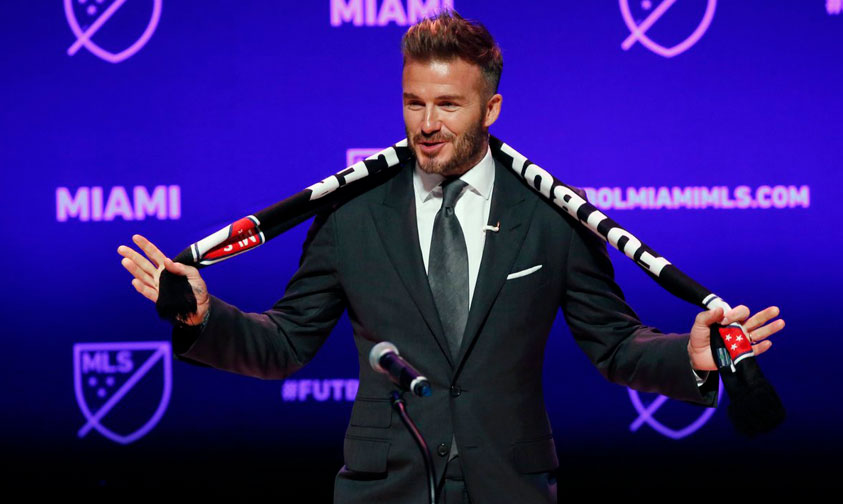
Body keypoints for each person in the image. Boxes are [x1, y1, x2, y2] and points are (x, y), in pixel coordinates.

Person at [117, 10, 785, 504]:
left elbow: (612, 344)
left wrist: (688, 358)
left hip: (510, 486)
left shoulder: (551, 215)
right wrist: (203, 317)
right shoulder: (351, 212)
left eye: (447, 105)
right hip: (383, 490)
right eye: (414, 103)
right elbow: (286, 344)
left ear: (490, 108)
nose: (427, 124)